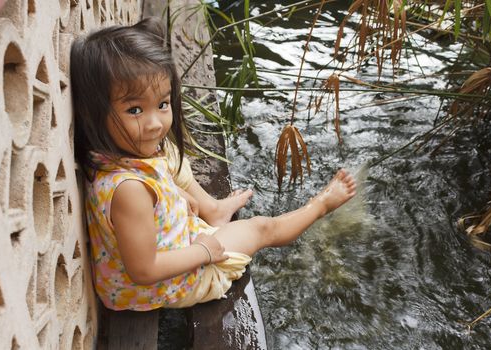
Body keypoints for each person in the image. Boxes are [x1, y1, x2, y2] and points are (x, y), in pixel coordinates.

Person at [70, 17, 356, 311]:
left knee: (166, 152)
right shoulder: (129, 190)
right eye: (134, 109)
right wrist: (203, 251)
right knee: (260, 229)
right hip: (162, 284)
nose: (155, 123)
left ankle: (214, 213)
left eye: (163, 104)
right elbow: (144, 270)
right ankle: (320, 205)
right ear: (93, 113)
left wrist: (178, 195)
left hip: (158, 260)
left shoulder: (112, 156)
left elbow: (144, 197)